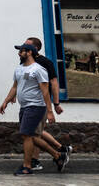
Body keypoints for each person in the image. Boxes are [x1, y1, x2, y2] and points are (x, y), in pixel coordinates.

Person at [0, 42, 58, 175]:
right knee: (30, 135)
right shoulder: (19, 69)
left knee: (26, 135)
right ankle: (58, 155)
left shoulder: (38, 69)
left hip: (36, 106)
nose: (19, 53)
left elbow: (45, 91)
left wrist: (50, 111)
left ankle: (27, 167)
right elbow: (15, 87)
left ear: (29, 52)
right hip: (24, 106)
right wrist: (6, 101)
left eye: (21, 51)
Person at [26, 36, 71, 171]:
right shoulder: (27, 62)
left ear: (35, 48)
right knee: (36, 131)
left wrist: (56, 103)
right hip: (29, 103)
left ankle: (41, 159)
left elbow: (54, 82)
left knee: (33, 132)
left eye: (26, 45)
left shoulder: (45, 62)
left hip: (40, 103)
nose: (23, 47)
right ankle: (62, 149)